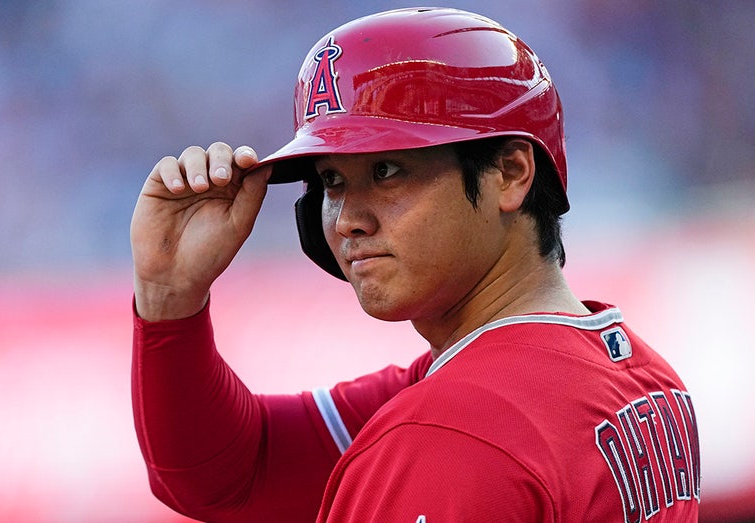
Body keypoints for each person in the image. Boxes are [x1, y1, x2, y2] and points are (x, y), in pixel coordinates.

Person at [130, 7, 700, 522]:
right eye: (332, 180)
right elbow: (229, 475)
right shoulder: (644, 378)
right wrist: (169, 299)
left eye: (386, 171)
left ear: (510, 173)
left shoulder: (451, 436)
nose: (348, 218)